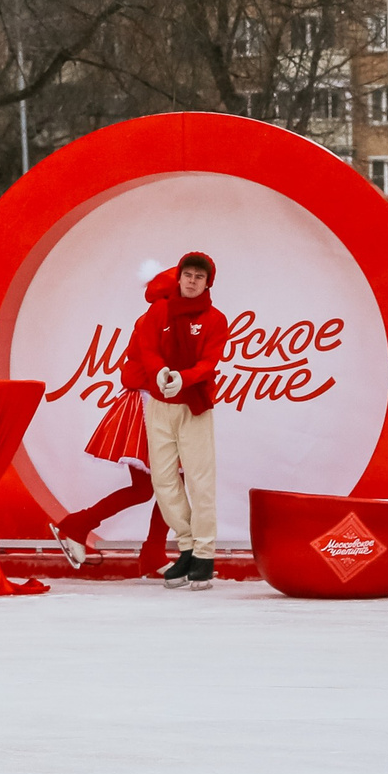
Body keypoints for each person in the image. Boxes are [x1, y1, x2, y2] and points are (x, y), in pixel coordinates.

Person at [121, 252, 227, 588]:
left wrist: (186, 377)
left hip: (194, 406)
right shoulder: (159, 311)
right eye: (188, 275)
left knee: (199, 481)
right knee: (164, 481)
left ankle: (204, 554)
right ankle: (186, 546)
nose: (192, 282)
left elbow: (210, 361)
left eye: (199, 277)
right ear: (178, 278)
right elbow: (147, 347)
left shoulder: (215, 319)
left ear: (208, 282)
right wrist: (160, 372)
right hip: (159, 404)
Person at [47, 378, 172, 577]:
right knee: (160, 489)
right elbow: (136, 370)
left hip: (164, 405)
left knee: (152, 490)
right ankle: (153, 552)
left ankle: (79, 523)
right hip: (151, 406)